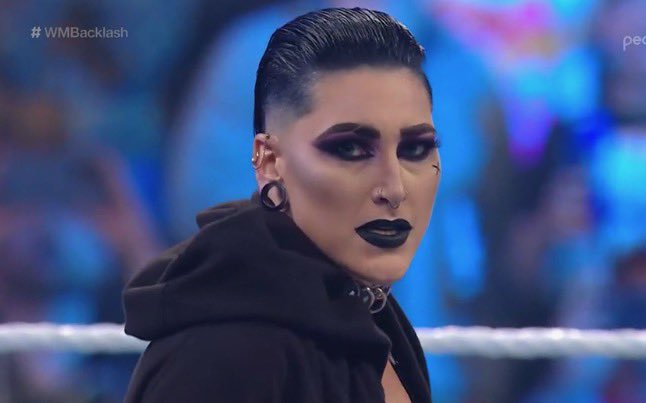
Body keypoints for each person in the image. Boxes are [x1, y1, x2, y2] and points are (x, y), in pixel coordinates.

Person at [123, 7, 440, 402]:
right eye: (350, 149)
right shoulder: (224, 353)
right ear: (270, 162)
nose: (394, 188)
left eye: (415, 149)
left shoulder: (377, 321)